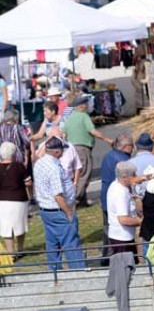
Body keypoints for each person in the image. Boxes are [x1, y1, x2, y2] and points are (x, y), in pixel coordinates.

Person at [33, 136, 84, 270]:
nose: (63, 152)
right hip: (59, 211)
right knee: (71, 244)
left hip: (46, 211)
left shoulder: (40, 163)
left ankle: (54, 272)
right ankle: (78, 273)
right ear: (56, 152)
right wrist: (69, 213)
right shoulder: (53, 169)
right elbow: (58, 196)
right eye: (62, 150)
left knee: (53, 244)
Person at [63, 96, 113, 206]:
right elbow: (93, 131)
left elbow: (63, 134)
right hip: (82, 148)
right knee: (85, 174)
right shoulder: (83, 116)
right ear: (81, 106)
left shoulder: (70, 118)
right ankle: (74, 198)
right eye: (86, 103)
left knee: (76, 174)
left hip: (71, 149)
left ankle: (82, 201)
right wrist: (107, 139)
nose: (88, 105)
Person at [100, 135, 134, 253]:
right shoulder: (123, 160)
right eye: (131, 146)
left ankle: (106, 256)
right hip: (118, 198)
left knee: (108, 228)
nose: (133, 149)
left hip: (106, 196)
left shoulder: (108, 155)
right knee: (119, 230)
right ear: (125, 147)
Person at [0, 142, 29, 256]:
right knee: (20, 225)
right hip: (19, 199)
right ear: (13, 153)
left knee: (6, 228)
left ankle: (11, 253)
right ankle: (20, 249)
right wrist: (30, 194)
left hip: (2, 201)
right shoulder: (19, 166)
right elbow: (28, 182)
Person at [106, 162, 142, 255]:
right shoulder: (120, 193)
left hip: (123, 236)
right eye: (133, 175)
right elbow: (123, 219)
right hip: (122, 239)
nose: (136, 176)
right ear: (124, 177)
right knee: (126, 267)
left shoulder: (116, 184)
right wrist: (141, 221)